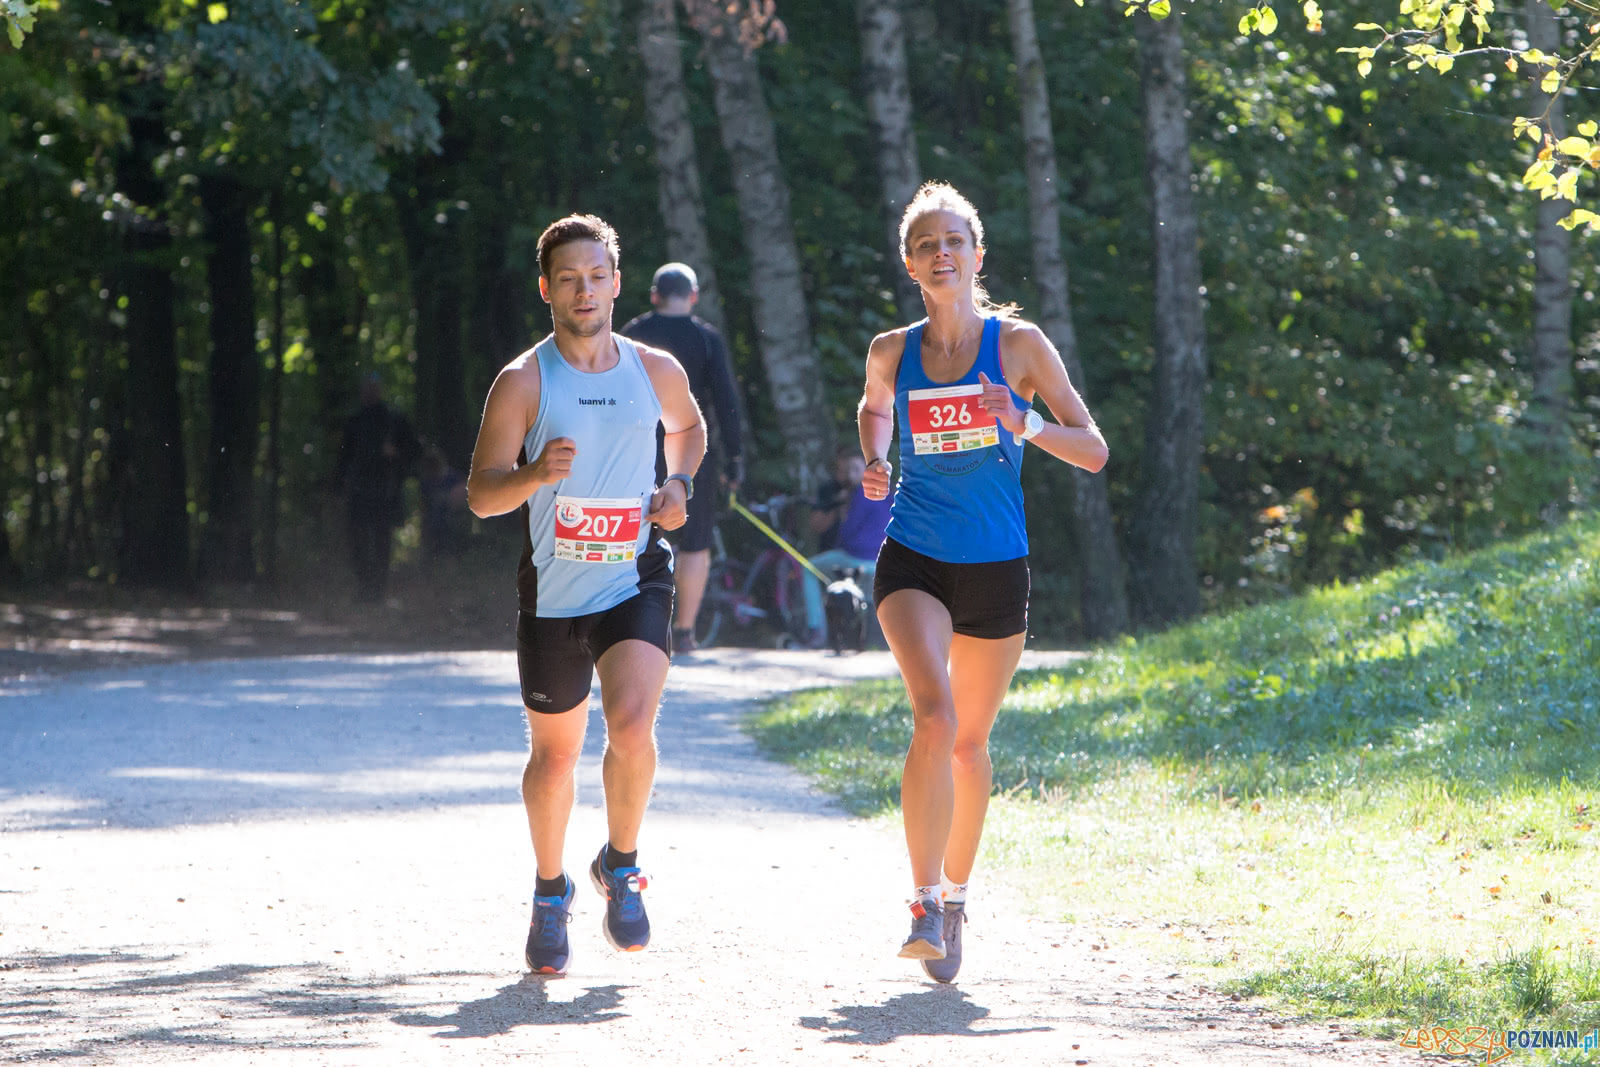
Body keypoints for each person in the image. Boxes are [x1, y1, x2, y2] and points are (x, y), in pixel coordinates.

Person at [857, 181, 1109, 983]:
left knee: (969, 742)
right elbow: (872, 408)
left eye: (955, 240)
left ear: (975, 255)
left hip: (997, 564)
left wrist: (1024, 421)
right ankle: (923, 900)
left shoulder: (1022, 346)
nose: (942, 252)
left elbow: (1094, 448)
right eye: (927, 243)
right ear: (911, 264)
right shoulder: (891, 350)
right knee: (933, 714)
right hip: (914, 558)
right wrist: (874, 458)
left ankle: (958, 895)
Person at [465, 215, 707, 976]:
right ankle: (549, 889)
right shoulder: (524, 381)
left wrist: (679, 483)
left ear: (616, 282)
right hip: (555, 589)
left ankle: (623, 866)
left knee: (632, 725)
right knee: (555, 755)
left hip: (635, 574)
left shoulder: (655, 367)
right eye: (568, 278)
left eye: (596, 275)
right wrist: (534, 475)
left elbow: (690, 427)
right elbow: (479, 493)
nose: (584, 289)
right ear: (547, 288)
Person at [621, 263, 744, 654]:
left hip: (637, 446)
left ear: (655, 295)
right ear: (692, 296)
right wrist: (735, 458)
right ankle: (686, 631)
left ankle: (632, 625)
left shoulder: (632, 335)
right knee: (696, 541)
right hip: (692, 449)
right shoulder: (706, 339)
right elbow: (726, 403)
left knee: (631, 536)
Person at [334, 373, 421, 603]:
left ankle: (378, 592)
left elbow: (415, 452)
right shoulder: (355, 422)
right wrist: (339, 487)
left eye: (373, 387)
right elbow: (343, 458)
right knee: (358, 542)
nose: (369, 392)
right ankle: (364, 588)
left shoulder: (393, 421)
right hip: (359, 491)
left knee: (382, 542)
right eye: (366, 388)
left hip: (385, 490)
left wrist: (396, 455)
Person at [800, 444, 891, 647]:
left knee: (809, 568)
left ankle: (816, 628)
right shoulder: (889, 492)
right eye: (849, 470)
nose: (851, 475)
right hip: (883, 558)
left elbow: (849, 533)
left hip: (857, 556)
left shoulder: (859, 494)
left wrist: (841, 522)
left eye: (855, 470)